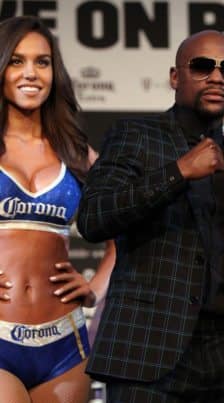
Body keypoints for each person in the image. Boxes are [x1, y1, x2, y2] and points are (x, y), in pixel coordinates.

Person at [77, 30, 224, 403]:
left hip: (223, 359)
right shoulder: (136, 136)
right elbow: (94, 218)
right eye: (202, 66)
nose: (216, 77)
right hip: (146, 353)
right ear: (175, 77)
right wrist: (178, 172)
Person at [0, 16, 115, 403]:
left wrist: (96, 288)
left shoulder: (76, 153)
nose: (30, 73)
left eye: (42, 62)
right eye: (16, 61)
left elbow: (128, 228)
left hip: (65, 344)